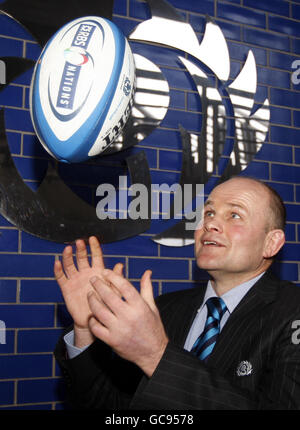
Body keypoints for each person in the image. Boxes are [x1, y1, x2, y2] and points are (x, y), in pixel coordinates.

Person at [54, 176, 300, 409]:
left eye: (234, 215)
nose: (210, 223)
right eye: (209, 213)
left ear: (272, 243)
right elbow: (108, 405)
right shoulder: (161, 310)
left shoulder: (291, 312)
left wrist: (156, 356)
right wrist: (86, 329)